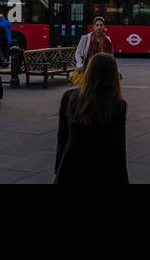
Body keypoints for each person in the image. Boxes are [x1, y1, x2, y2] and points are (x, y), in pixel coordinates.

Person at [54, 52, 129, 185]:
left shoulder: (69, 97)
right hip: (102, 168)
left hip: (71, 165)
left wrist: (59, 167)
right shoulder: (117, 105)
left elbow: (62, 137)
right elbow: (118, 146)